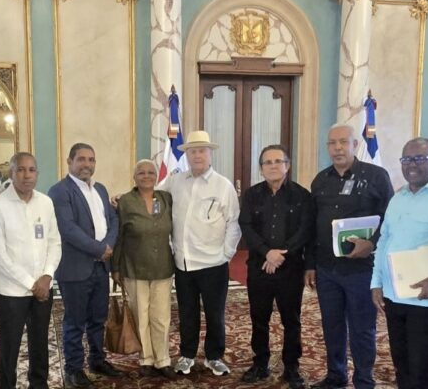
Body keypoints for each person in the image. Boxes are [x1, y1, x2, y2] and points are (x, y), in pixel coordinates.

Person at [370, 138, 428, 389]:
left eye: (419, 158)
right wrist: (376, 282)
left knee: (422, 367)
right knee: (401, 364)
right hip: (394, 295)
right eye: (406, 159)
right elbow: (384, 241)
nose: (411, 164)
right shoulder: (398, 197)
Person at [305, 124, 394, 389]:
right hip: (327, 269)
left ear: (355, 145)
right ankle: (336, 375)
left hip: (362, 270)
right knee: (331, 325)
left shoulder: (376, 176)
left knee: (362, 327)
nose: (338, 148)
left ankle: (364, 380)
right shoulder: (320, 180)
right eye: (332, 143)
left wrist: (371, 244)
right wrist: (310, 265)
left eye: (344, 142)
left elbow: (390, 220)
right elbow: (312, 226)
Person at [158, 130, 241, 376]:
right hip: (183, 263)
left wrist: (226, 254)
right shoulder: (175, 181)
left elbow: (233, 223)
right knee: (187, 313)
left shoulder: (223, 185)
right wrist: (124, 198)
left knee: (215, 314)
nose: (197, 156)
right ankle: (187, 355)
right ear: (187, 155)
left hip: (214, 263)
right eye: (192, 151)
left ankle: (214, 356)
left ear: (210, 153)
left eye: (201, 151)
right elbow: (152, 195)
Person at [48, 143, 122, 388]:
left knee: (98, 319)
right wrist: (100, 249)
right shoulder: (60, 191)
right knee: (75, 322)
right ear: (70, 162)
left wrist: (108, 246)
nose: (86, 164)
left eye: (91, 160)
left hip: (100, 268)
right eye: (81, 159)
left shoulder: (100, 189)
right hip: (75, 269)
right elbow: (68, 229)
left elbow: (113, 220)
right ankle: (74, 370)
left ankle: (97, 360)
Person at [0, 152, 62, 389]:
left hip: (42, 289)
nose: (26, 175)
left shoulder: (45, 203)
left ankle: (38, 384)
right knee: (10, 346)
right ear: (11, 173)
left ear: (37, 174)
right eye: (20, 169)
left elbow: (54, 242)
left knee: (40, 343)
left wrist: (47, 276)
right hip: (11, 292)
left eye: (31, 170)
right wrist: (32, 284)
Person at [239, 145, 312, 388]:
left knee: (291, 320)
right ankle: (260, 363)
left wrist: (282, 254)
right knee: (259, 318)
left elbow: (305, 229)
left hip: (290, 268)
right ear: (261, 169)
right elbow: (246, 226)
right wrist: (267, 253)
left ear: (287, 165)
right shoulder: (251, 195)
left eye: (277, 161)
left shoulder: (302, 195)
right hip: (259, 267)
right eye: (267, 162)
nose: (273, 166)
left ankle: (291, 366)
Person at [112, 159, 176, 379]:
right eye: (141, 172)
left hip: (162, 267)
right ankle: (146, 359)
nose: (146, 176)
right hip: (134, 267)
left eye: (151, 172)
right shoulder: (125, 202)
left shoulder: (166, 198)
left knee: (161, 316)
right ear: (134, 177)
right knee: (140, 315)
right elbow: (119, 236)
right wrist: (116, 267)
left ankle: (163, 359)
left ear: (157, 177)